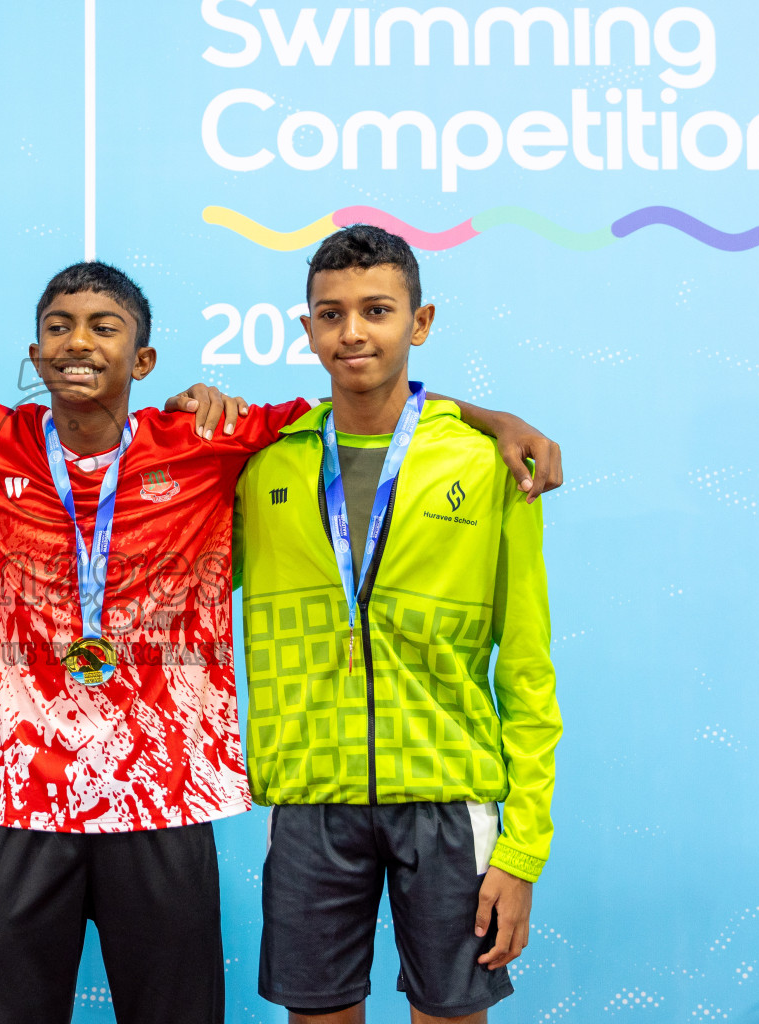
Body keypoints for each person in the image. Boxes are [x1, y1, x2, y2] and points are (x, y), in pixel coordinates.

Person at [0, 261, 562, 1024]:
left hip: (165, 799)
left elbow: (364, 395)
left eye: (104, 327)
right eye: (57, 327)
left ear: (141, 359)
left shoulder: (208, 439)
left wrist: (490, 419)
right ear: (34, 356)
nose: (78, 342)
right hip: (20, 796)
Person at [232, 225, 563, 1024]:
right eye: (330, 313)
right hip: (311, 797)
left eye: (377, 310)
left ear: (420, 323)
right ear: (306, 328)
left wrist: (521, 851)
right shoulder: (264, 462)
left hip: (449, 800)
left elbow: (526, 665)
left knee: (451, 1016)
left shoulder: (487, 465)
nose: (353, 332)